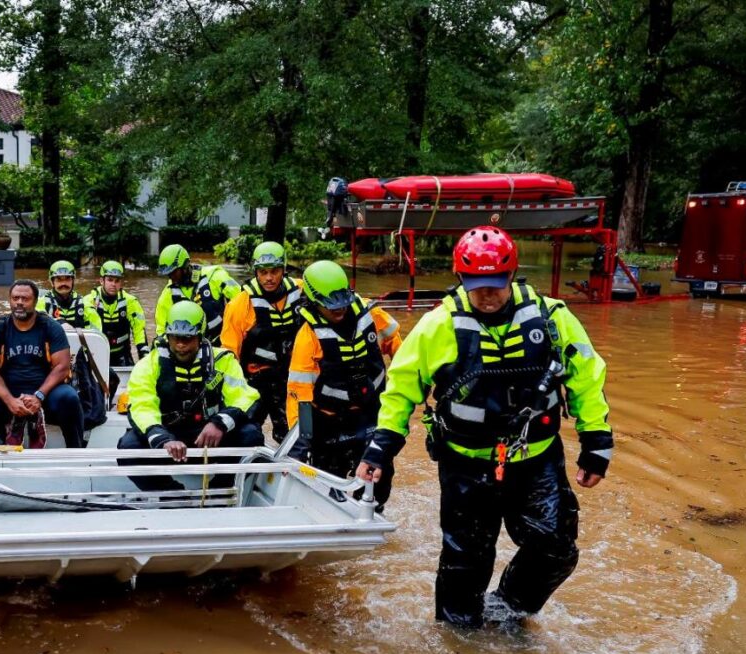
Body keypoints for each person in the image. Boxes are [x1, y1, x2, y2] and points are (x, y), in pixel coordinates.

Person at [356, 226, 613, 629]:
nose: (487, 295)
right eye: (477, 286)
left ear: (512, 275)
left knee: (556, 546)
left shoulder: (552, 318)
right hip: (465, 463)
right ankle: (459, 644)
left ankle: (509, 608)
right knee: (465, 560)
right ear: (460, 278)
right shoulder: (436, 327)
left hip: (535, 458)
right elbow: (401, 389)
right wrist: (380, 448)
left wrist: (596, 442)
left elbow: (586, 376)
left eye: (496, 284)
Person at [286, 260, 401, 504]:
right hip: (328, 421)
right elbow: (299, 391)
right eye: (331, 307)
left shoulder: (372, 316)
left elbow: (400, 348)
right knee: (328, 489)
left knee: (378, 480)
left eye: (342, 304)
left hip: (370, 413)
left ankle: (372, 514)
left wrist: (413, 381)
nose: (339, 310)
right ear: (314, 301)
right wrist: (300, 439)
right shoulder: (308, 338)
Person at [118, 300, 263, 493]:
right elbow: (142, 405)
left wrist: (220, 423)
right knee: (128, 448)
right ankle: (172, 494)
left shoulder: (222, 361)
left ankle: (218, 490)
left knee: (251, 436)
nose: (180, 345)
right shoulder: (149, 365)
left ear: (200, 337)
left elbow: (245, 397)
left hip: (210, 437)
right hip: (169, 438)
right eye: (174, 338)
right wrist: (162, 439)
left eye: (187, 339)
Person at [0, 279, 86, 448]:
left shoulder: (51, 327)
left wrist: (39, 396)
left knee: (69, 398)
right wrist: (10, 400)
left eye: (25, 299)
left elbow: (62, 367)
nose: (19, 303)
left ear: (35, 302)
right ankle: (1, 441)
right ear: (10, 300)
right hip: (8, 396)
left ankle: (75, 449)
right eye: (15, 298)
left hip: (46, 395)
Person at [221, 241, 305, 442]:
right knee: (245, 433)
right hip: (255, 381)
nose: (269, 278)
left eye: (274, 271)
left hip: (290, 379)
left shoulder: (301, 291)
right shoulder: (240, 305)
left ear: (283, 270)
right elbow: (229, 354)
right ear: (256, 272)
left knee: (295, 435)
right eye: (263, 272)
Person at [84, 260, 148, 399]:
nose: (113, 284)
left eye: (117, 281)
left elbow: (139, 330)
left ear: (121, 283)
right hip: (98, 355)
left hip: (122, 353)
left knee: (136, 386)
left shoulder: (130, 302)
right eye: (110, 280)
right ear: (101, 280)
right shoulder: (89, 301)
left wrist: (143, 354)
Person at [153, 244, 241, 346]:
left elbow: (241, 301)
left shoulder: (214, 276)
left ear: (185, 266)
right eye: (168, 274)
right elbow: (162, 329)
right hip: (190, 349)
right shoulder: (167, 295)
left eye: (174, 272)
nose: (171, 277)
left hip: (222, 341)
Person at [36, 260, 101, 330]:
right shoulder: (40, 303)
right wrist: (59, 322)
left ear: (73, 281)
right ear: (52, 282)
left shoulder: (86, 306)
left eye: (67, 279)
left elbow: (98, 333)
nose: (63, 283)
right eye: (59, 279)